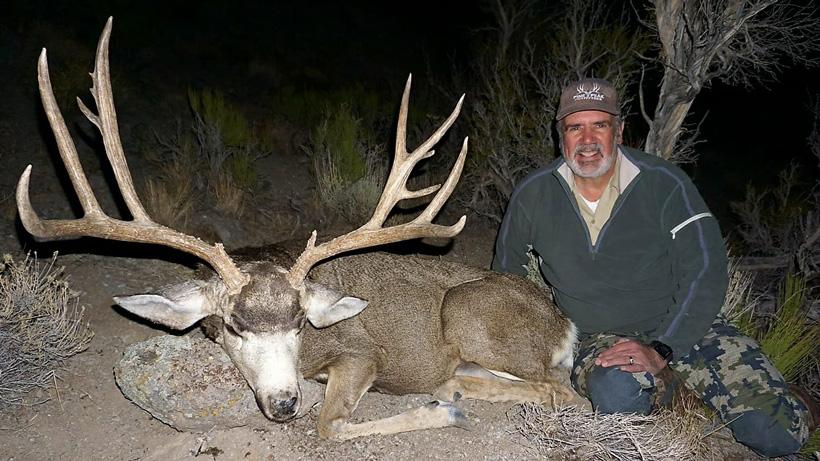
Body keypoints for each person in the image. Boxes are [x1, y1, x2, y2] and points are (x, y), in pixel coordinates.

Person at [492, 77, 815, 457]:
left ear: (620, 131)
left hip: (685, 328)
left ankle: (803, 400)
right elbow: (506, 280)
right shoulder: (534, 193)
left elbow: (706, 271)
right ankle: (680, 396)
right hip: (598, 337)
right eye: (575, 127)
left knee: (774, 434)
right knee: (617, 397)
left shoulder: (665, 184)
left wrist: (663, 347)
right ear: (560, 135)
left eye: (600, 125)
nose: (588, 139)